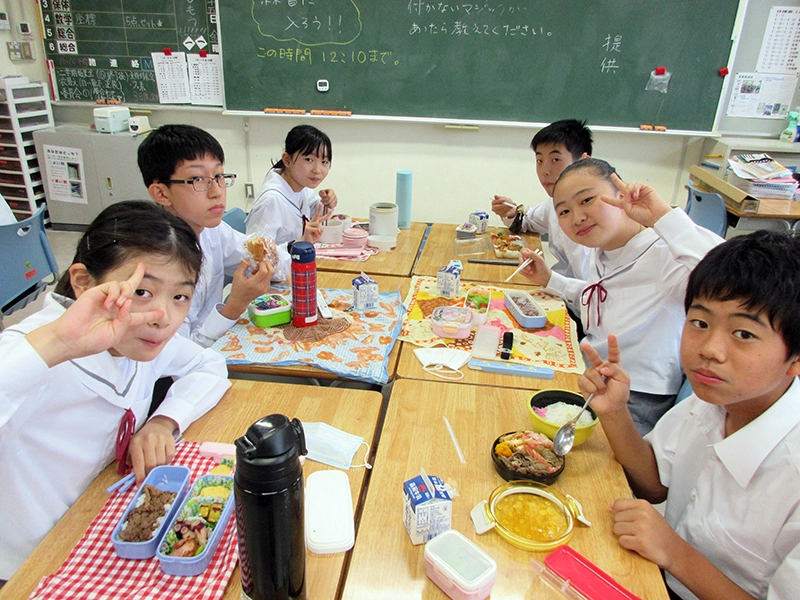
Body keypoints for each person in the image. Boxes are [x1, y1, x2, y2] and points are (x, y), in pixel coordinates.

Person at [0, 201, 230, 581]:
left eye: (180, 297)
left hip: (102, 518)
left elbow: (208, 365)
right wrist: (58, 342)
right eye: (141, 291)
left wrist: (162, 421)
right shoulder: (33, 350)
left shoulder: (137, 338)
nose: (163, 316)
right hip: (30, 566)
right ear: (84, 282)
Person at [580, 230, 800, 600]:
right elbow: (654, 482)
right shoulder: (712, 401)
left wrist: (675, 553)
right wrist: (615, 412)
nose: (709, 349)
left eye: (743, 334)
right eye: (699, 323)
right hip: (651, 577)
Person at [520, 158, 723, 434]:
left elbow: (730, 274)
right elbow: (601, 299)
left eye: (587, 200)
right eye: (564, 211)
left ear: (621, 193)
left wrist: (663, 216)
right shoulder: (604, 249)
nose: (577, 217)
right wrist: (550, 280)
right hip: (592, 376)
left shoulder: (664, 254)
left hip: (636, 398)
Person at [139, 124, 309, 348]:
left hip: (216, 346)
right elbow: (174, 356)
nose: (217, 191)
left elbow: (266, 259)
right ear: (161, 193)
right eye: (198, 180)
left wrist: (270, 259)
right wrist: (235, 305)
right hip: (188, 368)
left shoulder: (212, 230)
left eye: (219, 176)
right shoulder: (156, 263)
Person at [490, 119, 592, 282]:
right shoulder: (555, 202)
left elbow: (595, 290)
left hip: (584, 302)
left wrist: (549, 280)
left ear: (583, 161)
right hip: (562, 291)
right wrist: (512, 213)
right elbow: (528, 221)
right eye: (540, 161)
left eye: (555, 160)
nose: (545, 171)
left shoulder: (600, 214)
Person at [246, 124, 339, 244]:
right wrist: (299, 243)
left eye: (324, 162)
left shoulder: (300, 188)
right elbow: (255, 256)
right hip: (285, 262)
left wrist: (327, 202)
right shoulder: (271, 201)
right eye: (309, 160)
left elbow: (317, 215)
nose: (317, 170)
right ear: (287, 160)